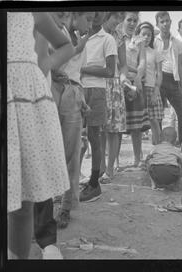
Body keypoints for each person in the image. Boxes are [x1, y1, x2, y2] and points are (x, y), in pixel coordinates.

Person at [8, 12, 73, 259]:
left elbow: (65, 46)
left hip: (25, 100)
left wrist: (41, 65)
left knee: (25, 200)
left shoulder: (31, 10)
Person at [50, 12, 94, 228]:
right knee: (48, 151)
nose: (91, 24)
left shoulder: (78, 38)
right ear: (76, 16)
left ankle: (66, 206)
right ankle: (45, 207)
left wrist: (81, 98)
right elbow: (49, 62)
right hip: (52, 90)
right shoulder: (56, 30)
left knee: (71, 152)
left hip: (71, 92)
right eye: (89, 18)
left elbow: (76, 74)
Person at [79, 12, 117, 202]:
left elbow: (110, 71)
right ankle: (72, 181)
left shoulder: (108, 39)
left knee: (94, 136)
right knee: (75, 136)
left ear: (104, 16)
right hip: (76, 87)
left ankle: (94, 183)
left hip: (96, 90)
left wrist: (82, 69)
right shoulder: (79, 35)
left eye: (99, 13)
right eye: (92, 12)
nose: (95, 16)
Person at [99, 12, 130, 183]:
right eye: (115, 17)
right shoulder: (94, 32)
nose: (117, 22)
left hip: (114, 84)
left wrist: (124, 77)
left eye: (120, 18)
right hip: (96, 82)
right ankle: (101, 166)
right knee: (99, 129)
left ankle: (110, 169)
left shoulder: (119, 36)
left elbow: (123, 65)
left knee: (113, 129)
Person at [116, 12, 150, 167]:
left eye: (135, 20)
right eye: (129, 20)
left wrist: (138, 77)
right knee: (116, 126)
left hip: (135, 82)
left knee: (136, 126)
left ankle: (137, 158)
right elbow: (116, 61)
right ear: (123, 20)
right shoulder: (116, 37)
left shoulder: (140, 40)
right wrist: (129, 72)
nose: (131, 23)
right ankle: (115, 162)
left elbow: (142, 61)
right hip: (118, 81)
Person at [154, 11, 182, 153]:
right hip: (157, 79)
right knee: (158, 114)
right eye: (162, 21)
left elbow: (181, 64)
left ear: (170, 22)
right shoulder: (153, 40)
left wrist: (181, 85)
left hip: (173, 79)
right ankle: (159, 145)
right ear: (157, 24)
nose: (165, 24)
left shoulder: (178, 42)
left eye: (167, 21)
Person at [135, 21, 164, 145]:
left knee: (154, 120)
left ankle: (158, 148)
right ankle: (138, 154)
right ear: (138, 35)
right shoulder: (133, 50)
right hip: (137, 88)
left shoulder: (155, 52)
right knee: (137, 123)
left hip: (151, 88)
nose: (146, 37)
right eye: (143, 34)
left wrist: (155, 93)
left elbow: (159, 74)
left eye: (149, 35)